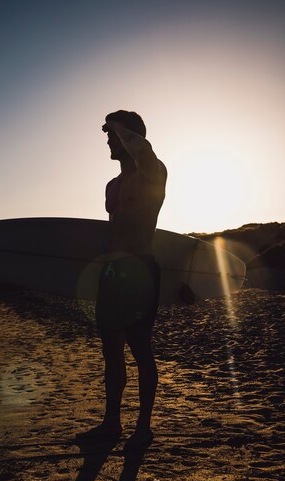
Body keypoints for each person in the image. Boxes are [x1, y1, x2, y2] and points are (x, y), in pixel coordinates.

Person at [81, 110, 167, 448]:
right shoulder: (112, 186)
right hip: (112, 273)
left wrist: (118, 124)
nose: (108, 140)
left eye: (112, 135)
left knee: (141, 350)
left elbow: (142, 150)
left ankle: (143, 427)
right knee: (111, 351)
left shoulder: (153, 173)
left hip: (141, 271)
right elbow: (111, 234)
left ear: (129, 137)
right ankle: (111, 423)